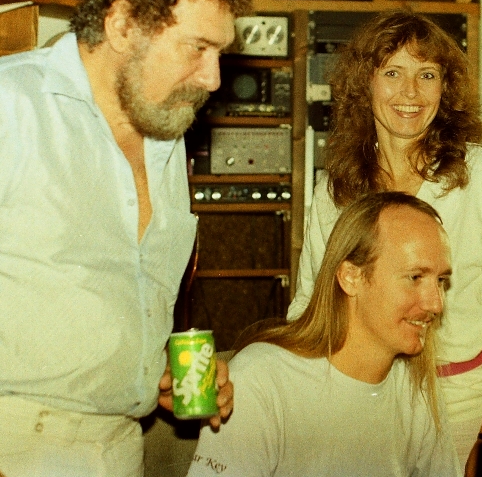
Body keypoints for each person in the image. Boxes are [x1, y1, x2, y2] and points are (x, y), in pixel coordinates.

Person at [0, 0, 253, 476]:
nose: (213, 79)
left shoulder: (166, 134)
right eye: (197, 48)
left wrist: (155, 367)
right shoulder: (10, 106)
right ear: (121, 25)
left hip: (119, 447)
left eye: (221, 54)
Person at [287, 10, 482, 475]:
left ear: (445, 89)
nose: (410, 93)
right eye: (393, 73)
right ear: (364, 85)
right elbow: (309, 308)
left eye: (427, 74)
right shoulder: (335, 190)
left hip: (465, 409)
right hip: (363, 410)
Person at [187, 192, 461, 477]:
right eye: (415, 277)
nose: (436, 304)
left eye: (441, 281)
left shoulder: (415, 384)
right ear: (351, 277)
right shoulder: (260, 381)